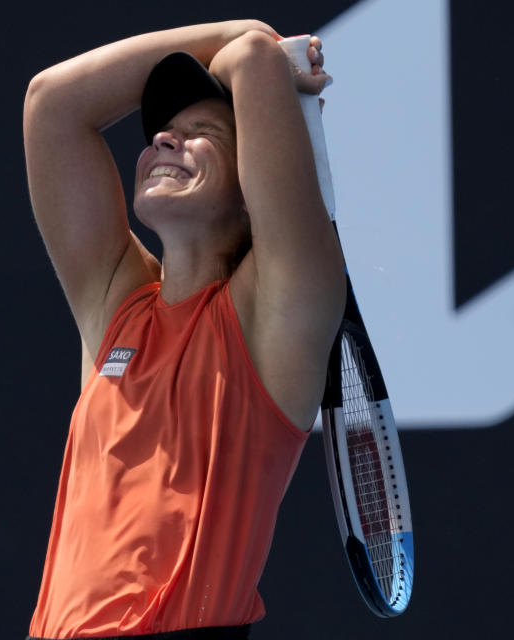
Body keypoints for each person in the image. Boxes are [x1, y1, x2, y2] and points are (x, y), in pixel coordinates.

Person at [22, 20, 345, 640]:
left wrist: (258, 51)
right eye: (163, 132)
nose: (165, 138)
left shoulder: (283, 307)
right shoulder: (117, 305)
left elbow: (252, 57)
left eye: (203, 135)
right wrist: (234, 31)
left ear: (252, 188)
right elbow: (51, 103)